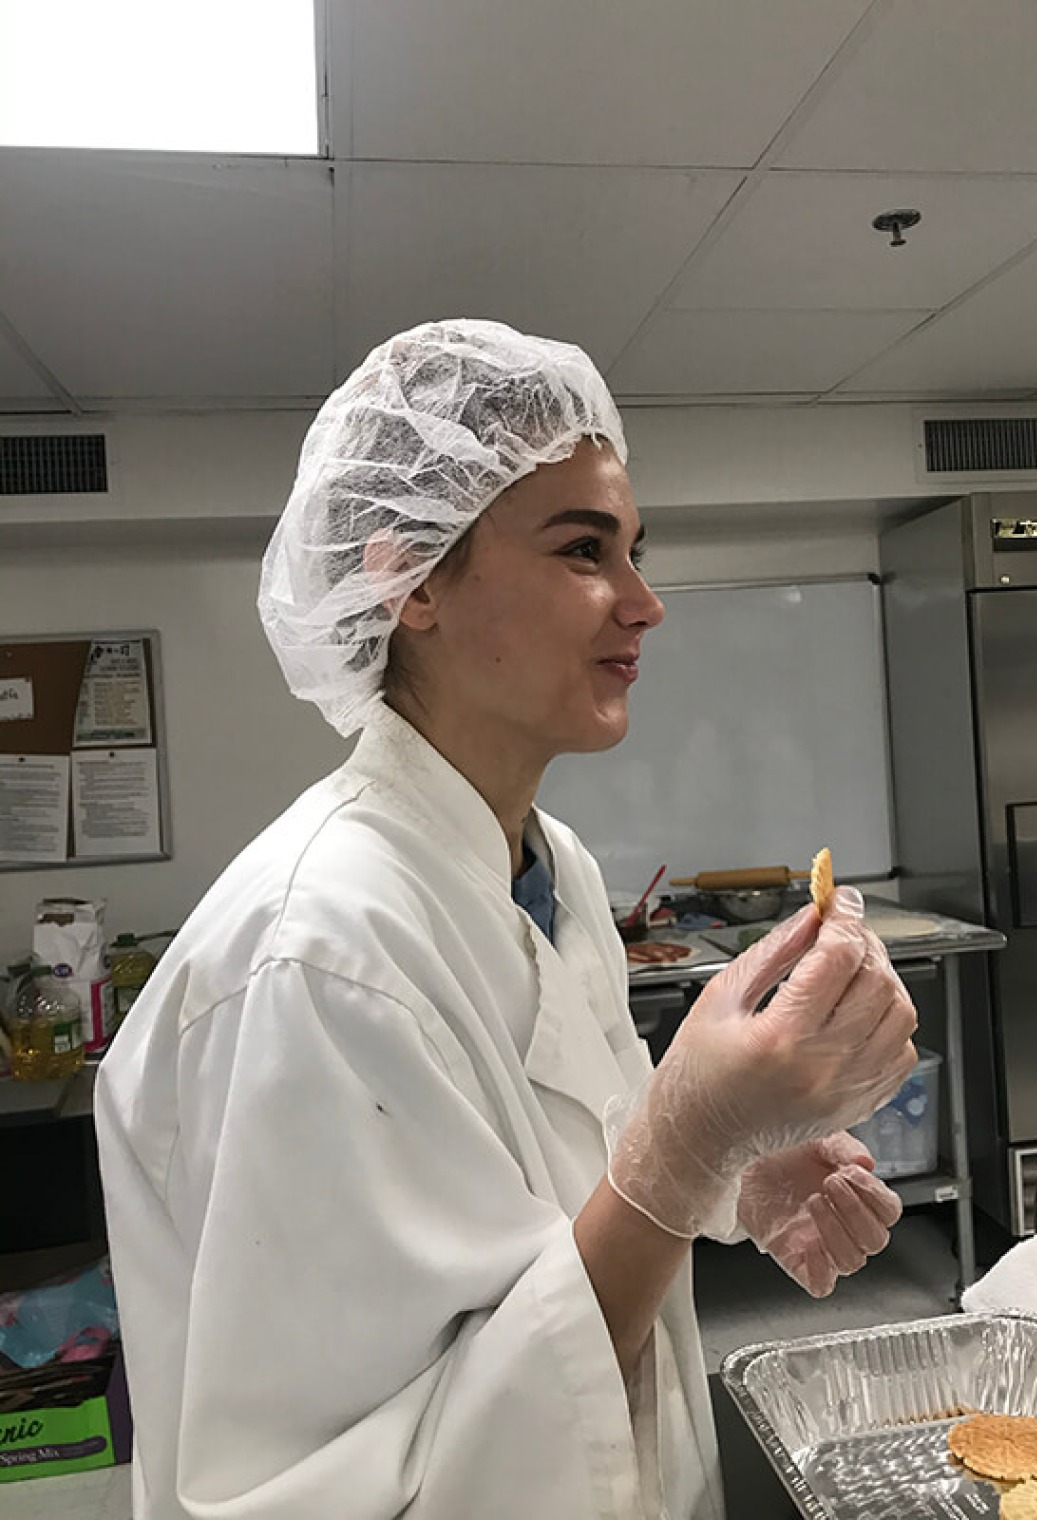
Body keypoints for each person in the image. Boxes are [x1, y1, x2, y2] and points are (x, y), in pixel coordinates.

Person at [95, 319, 918, 1520]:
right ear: (411, 577)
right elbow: (346, 1483)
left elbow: (564, 1166)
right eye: (586, 550)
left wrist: (729, 1171)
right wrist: (671, 1166)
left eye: (636, 550)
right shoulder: (316, 955)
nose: (645, 603)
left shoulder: (554, 866)